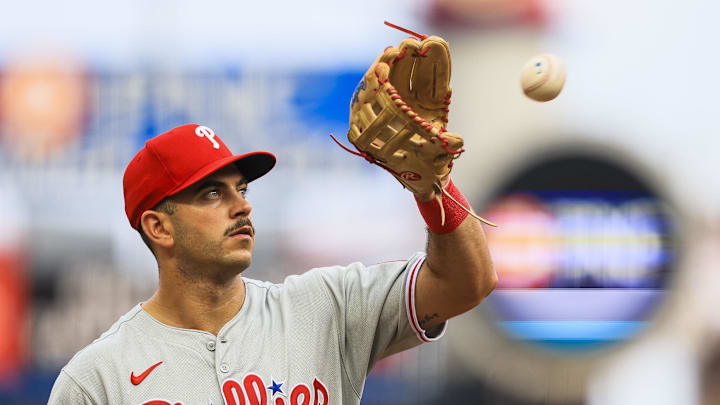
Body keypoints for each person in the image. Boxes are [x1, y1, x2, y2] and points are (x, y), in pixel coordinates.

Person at [47, 123, 496, 405]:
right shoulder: (97, 379)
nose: (240, 206)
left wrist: (434, 189)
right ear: (158, 228)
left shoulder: (324, 308)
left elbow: (466, 283)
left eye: (241, 189)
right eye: (212, 194)